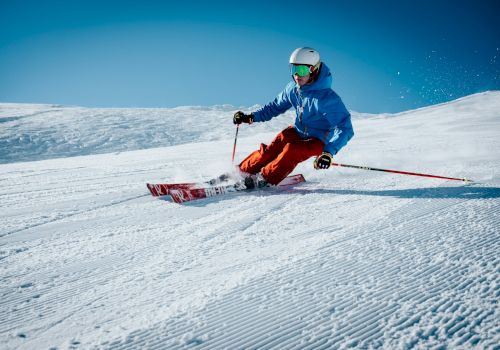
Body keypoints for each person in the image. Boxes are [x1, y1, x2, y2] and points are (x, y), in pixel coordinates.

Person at [233, 47, 354, 189]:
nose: (296, 75)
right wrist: (250, 117)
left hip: (319, 140)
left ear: (313, 70)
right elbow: (274, 107)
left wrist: (328, 152)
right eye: (293, 69)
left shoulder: (327, 99)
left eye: (302, 70)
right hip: (298, 131)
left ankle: (265, 178)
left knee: (292, 150)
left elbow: (345, 128)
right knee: (272, 149)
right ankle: (242, 172)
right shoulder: (293, 89)